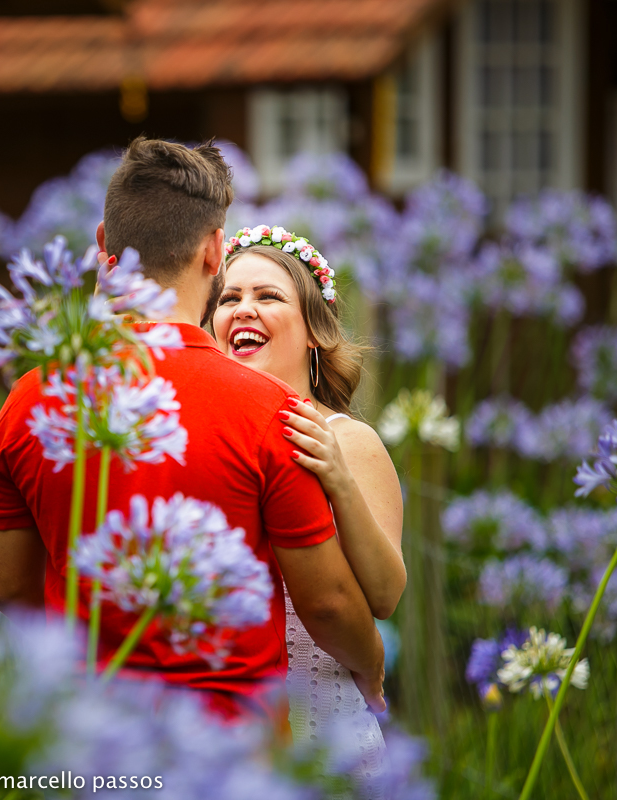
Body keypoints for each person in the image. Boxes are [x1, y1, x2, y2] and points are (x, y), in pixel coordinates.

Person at [0, 137, 386, 721]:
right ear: (214, 251)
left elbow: (9, 590)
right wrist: (371, 660)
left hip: (87, 739)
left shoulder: (27, 400)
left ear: (104, 244)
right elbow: (324, 605)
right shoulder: (269, 410)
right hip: (229, 749)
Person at [211, 225, 405, 779]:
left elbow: (387, 596)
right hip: (231, 724)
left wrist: (338, 480)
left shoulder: (351, 441)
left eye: (267, 297)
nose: (243, 309)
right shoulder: (208, 436)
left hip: (323, 713)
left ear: (315, 331)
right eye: (229, 298)